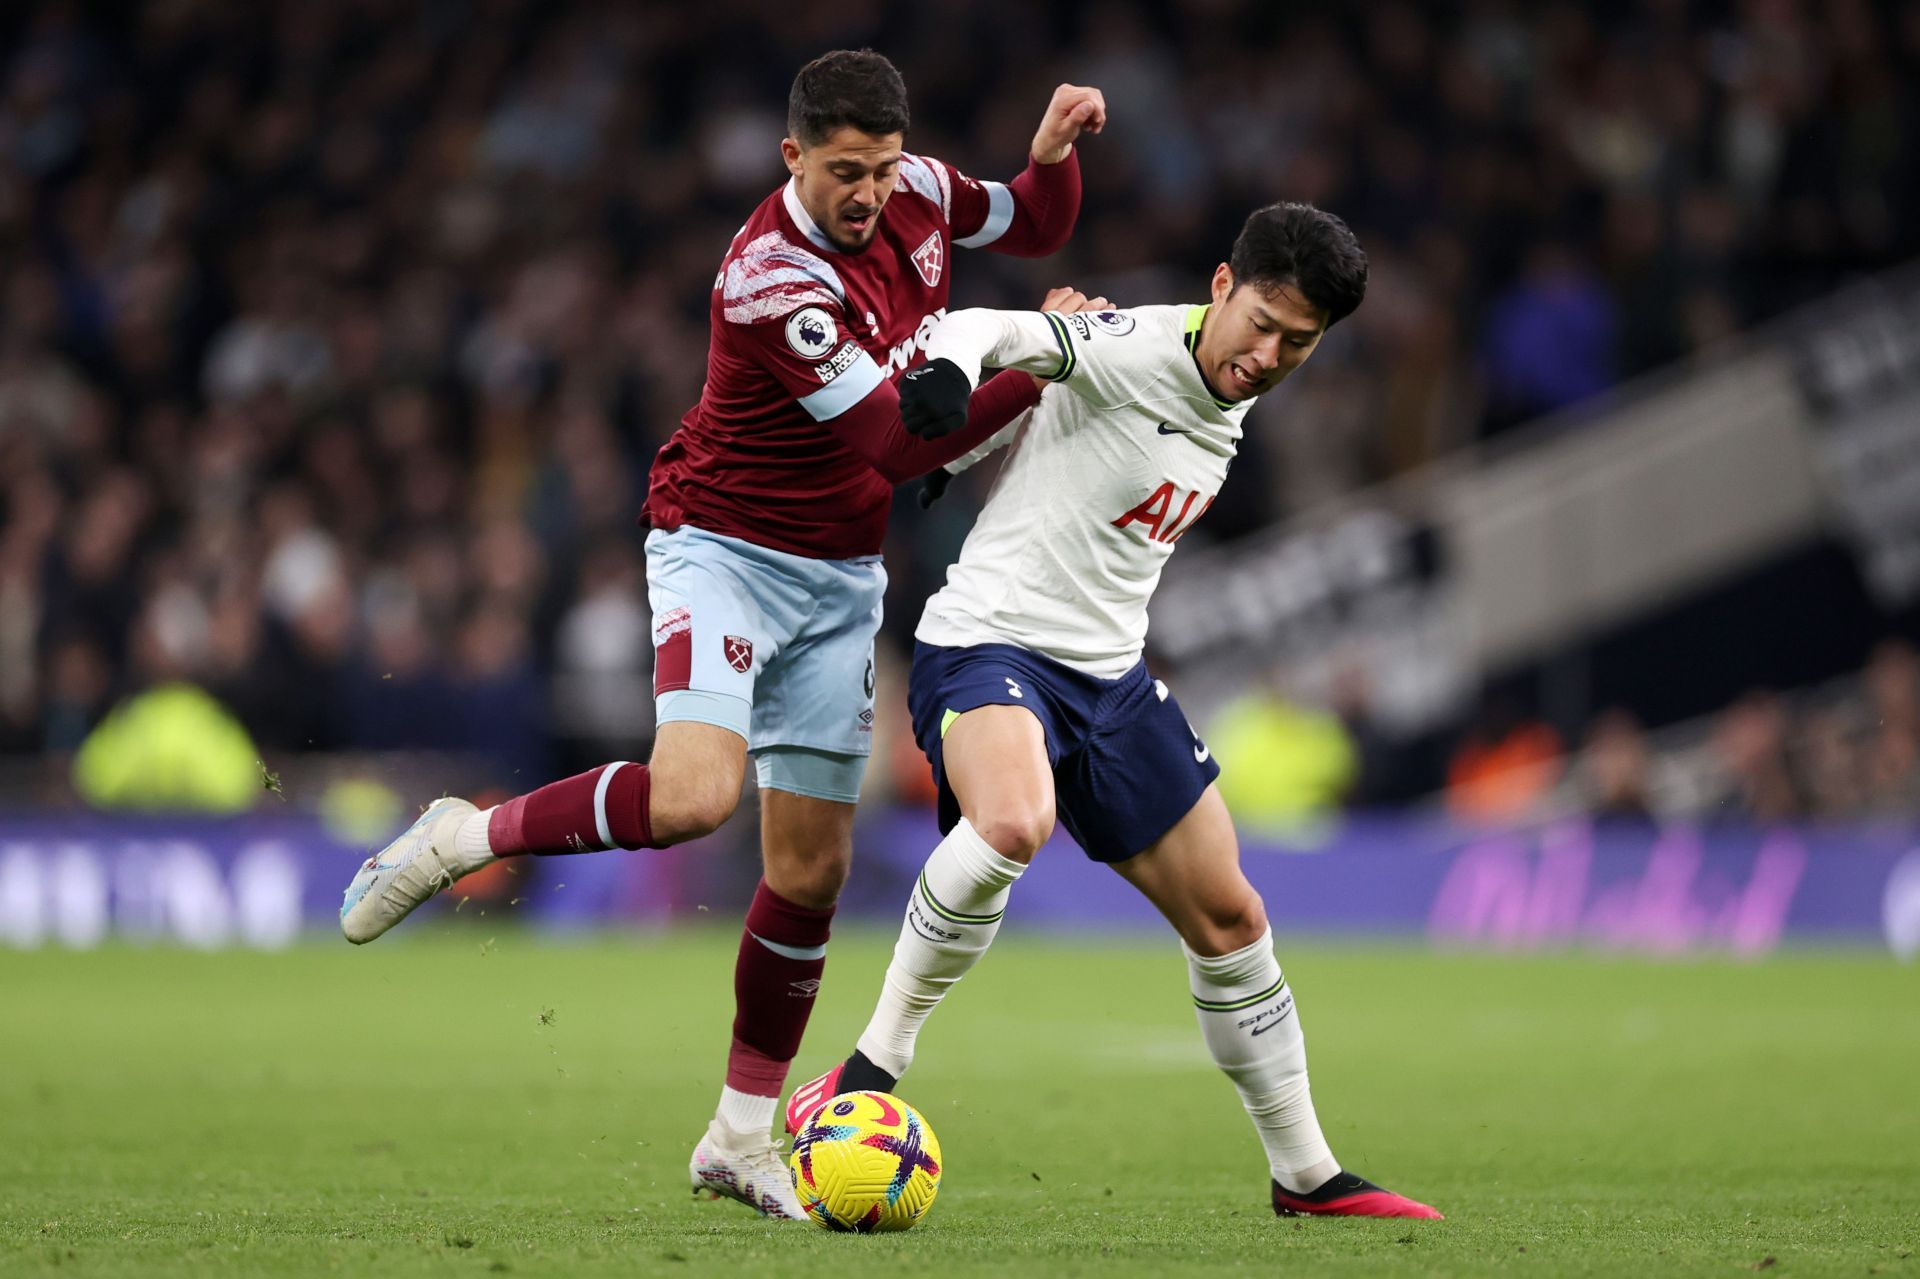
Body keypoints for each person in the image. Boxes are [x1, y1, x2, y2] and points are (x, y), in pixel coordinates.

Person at [338, 50, 1106, 1219]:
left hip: (841, 575)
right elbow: (898, 446)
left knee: (813, 867)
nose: (868, 194)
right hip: (726, 549)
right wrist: (1036, 363)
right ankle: (463, 836)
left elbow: (1031, 223)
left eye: (883, 170)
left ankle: (741, 1137)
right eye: (844, 171)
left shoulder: (918, 193)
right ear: (793, 157)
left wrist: (1052, 162)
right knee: (695, 797)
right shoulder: (766, 280)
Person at [784, 203, 1441, 1220]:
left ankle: (1306, 1174)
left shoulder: (1236, 387)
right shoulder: (1135, 344)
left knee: (1232, 917)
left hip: (1110, 677)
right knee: (1012, 823)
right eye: (1258, 321)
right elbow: (997, 330)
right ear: (1222, 286)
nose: (1267, 354)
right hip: (989, 644)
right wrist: (952, 374)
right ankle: (866, 1070)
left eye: (1297, 343)